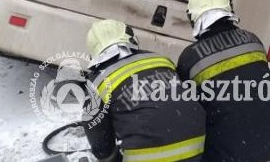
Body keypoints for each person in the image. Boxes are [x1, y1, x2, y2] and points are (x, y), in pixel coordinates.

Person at [177, 0, 270, 162]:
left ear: (192, 18)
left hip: (237, 154)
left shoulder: (190, 58)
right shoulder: (253, 40)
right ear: (229, 8)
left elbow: (188, 117)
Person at [82, 19, 206, 162]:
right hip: (197, 150)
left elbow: (100, 142)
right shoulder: (161, 60)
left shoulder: (97, 82)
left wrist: (110, 156)